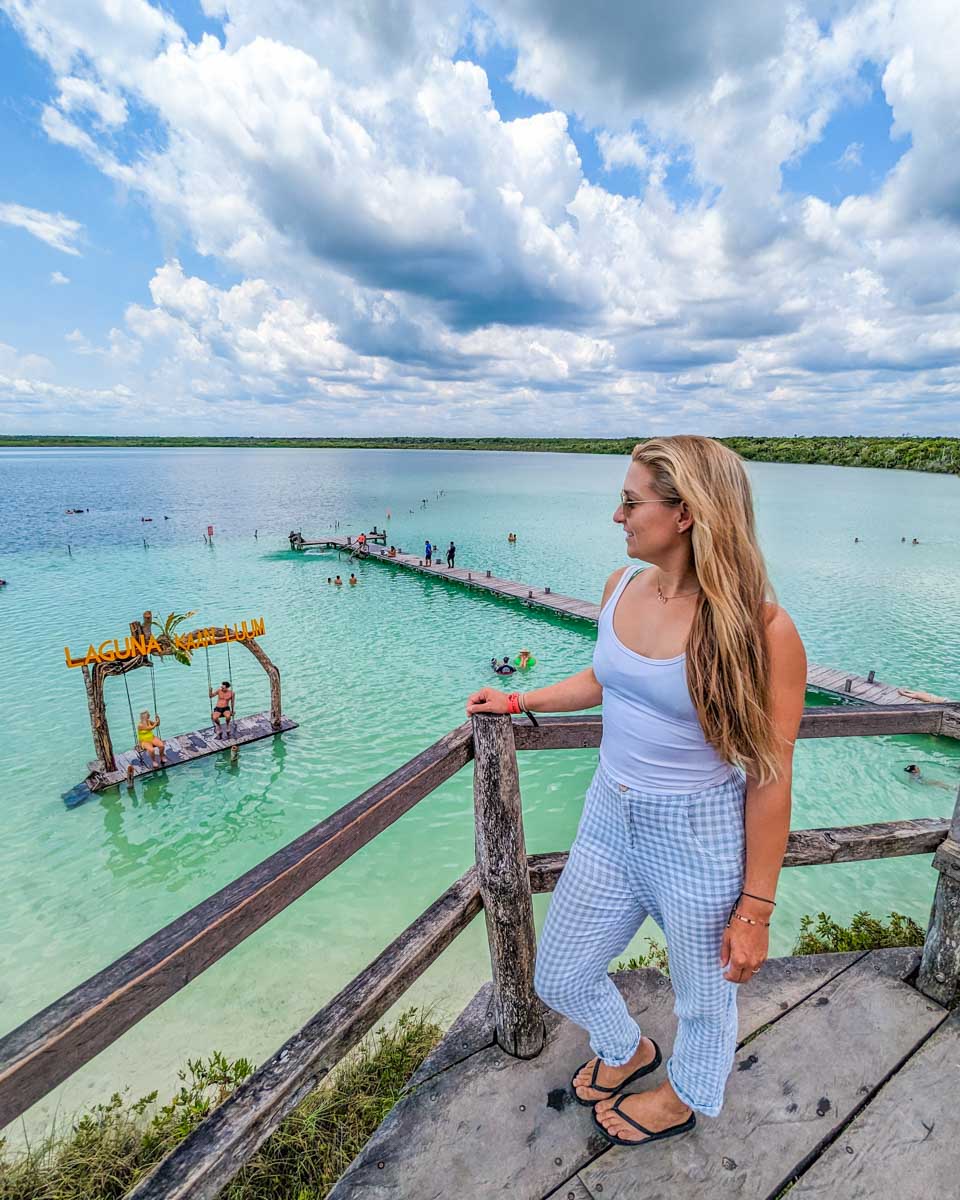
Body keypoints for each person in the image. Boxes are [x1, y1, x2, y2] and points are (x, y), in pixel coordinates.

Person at [466, 436, 806, 1148]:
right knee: (558, 973)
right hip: (609, 818)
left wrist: (756, 908)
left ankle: (683, 1096)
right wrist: (519, 697)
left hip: (699, 833)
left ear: (686, 514)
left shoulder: (762, 630)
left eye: (630, 501)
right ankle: (628, 1050)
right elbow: (604, 678)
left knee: (705, 1003)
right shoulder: (620, 588)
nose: (616, 515)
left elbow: (770, 776)